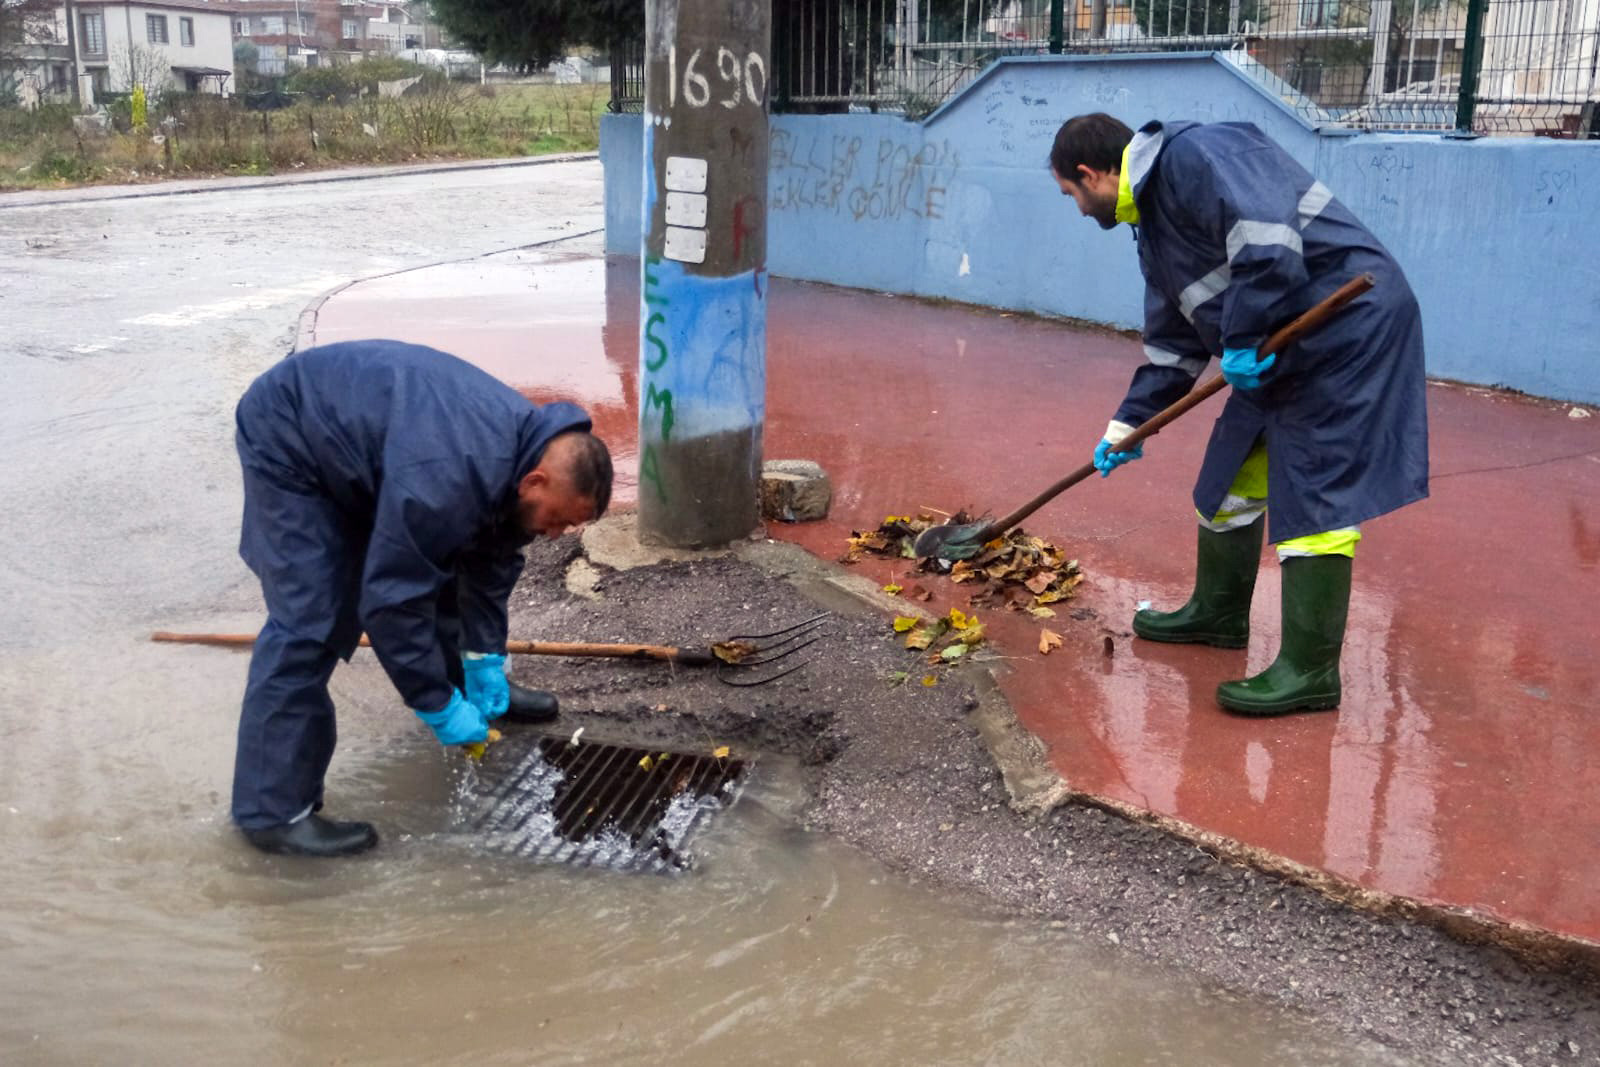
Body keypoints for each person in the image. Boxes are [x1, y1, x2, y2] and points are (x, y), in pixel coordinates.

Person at [1048, 113, 1428, 716]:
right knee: (1226, 480)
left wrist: (1243, 337)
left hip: (1346, 328)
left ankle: (1310, 671)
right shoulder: (1153, 233)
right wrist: (1126, 425)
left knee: (1315, 493)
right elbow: (1174, 346)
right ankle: (1219, 615)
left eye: (1071, 194)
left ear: (1091, 173)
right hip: (1278, 344)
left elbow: (1268, 243)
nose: (1077, 210)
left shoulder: (1198, 152)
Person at [231, 340, 612, 857]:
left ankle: (466, 688)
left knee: (448, 557)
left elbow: (492, 560)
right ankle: (273, 812)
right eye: (559, 520)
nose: (556, 535)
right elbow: (390, 602)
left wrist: (484, 659)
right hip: (293, 435)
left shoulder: (525, 452)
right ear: (534, 480)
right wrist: (431, 704)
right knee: (311, 621)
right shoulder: (447, 480)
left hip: (381, 445)